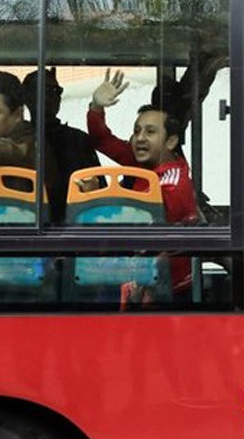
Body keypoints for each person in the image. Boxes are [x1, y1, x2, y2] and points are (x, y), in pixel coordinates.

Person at [86, 69, 199, 299]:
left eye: (150, 132)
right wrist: (96, 106)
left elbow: (142, 217)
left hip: (166, 292)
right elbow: (101, 139)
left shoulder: (174, 180)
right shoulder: (140, 160)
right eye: (136, 131)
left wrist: (95, 198)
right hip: (138, 279)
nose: (139, 138)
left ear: (171, 141)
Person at [22, 68, 100, 224]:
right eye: (44, 90)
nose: (53, 96)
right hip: (27, 227)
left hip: (74, 228)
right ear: (26, 97)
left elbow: (99, 190)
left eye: (57, 90)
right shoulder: (18, 140)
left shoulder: (79, 140)